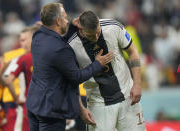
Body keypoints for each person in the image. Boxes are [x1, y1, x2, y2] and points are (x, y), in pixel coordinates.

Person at [26, 3, 114, 131]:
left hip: (34, 104)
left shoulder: (38, 36)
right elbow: (76, 77)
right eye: (65, 18)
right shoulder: (60, 50)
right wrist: (97, 64)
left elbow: (56, 43)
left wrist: (72, 28)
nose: (67, 21)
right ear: (57, 21)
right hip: (50, 111)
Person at [68, 11, 146, 131]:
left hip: (127, 96)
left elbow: (132, 52)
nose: (96, 37)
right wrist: (81, 109)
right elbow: (71, 80)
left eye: (98, 32)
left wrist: (137, 84)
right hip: (98, 103)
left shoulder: (113, 27)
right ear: (81, 29)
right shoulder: (71, 46)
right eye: (91, 35)